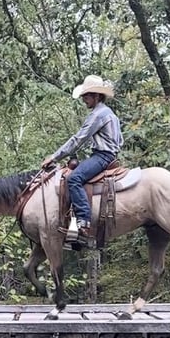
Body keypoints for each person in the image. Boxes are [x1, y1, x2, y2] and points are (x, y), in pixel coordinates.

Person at [42, 75, 123, 239]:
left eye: (86, 96)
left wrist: (54, 157)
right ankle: (73, 231)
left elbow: (78, 139)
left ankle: (84, 222)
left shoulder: (98, 114)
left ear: (96, 96)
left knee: (74, 179)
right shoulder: (108, 113)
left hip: (103, 156)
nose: (83, 99)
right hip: (106, 155)